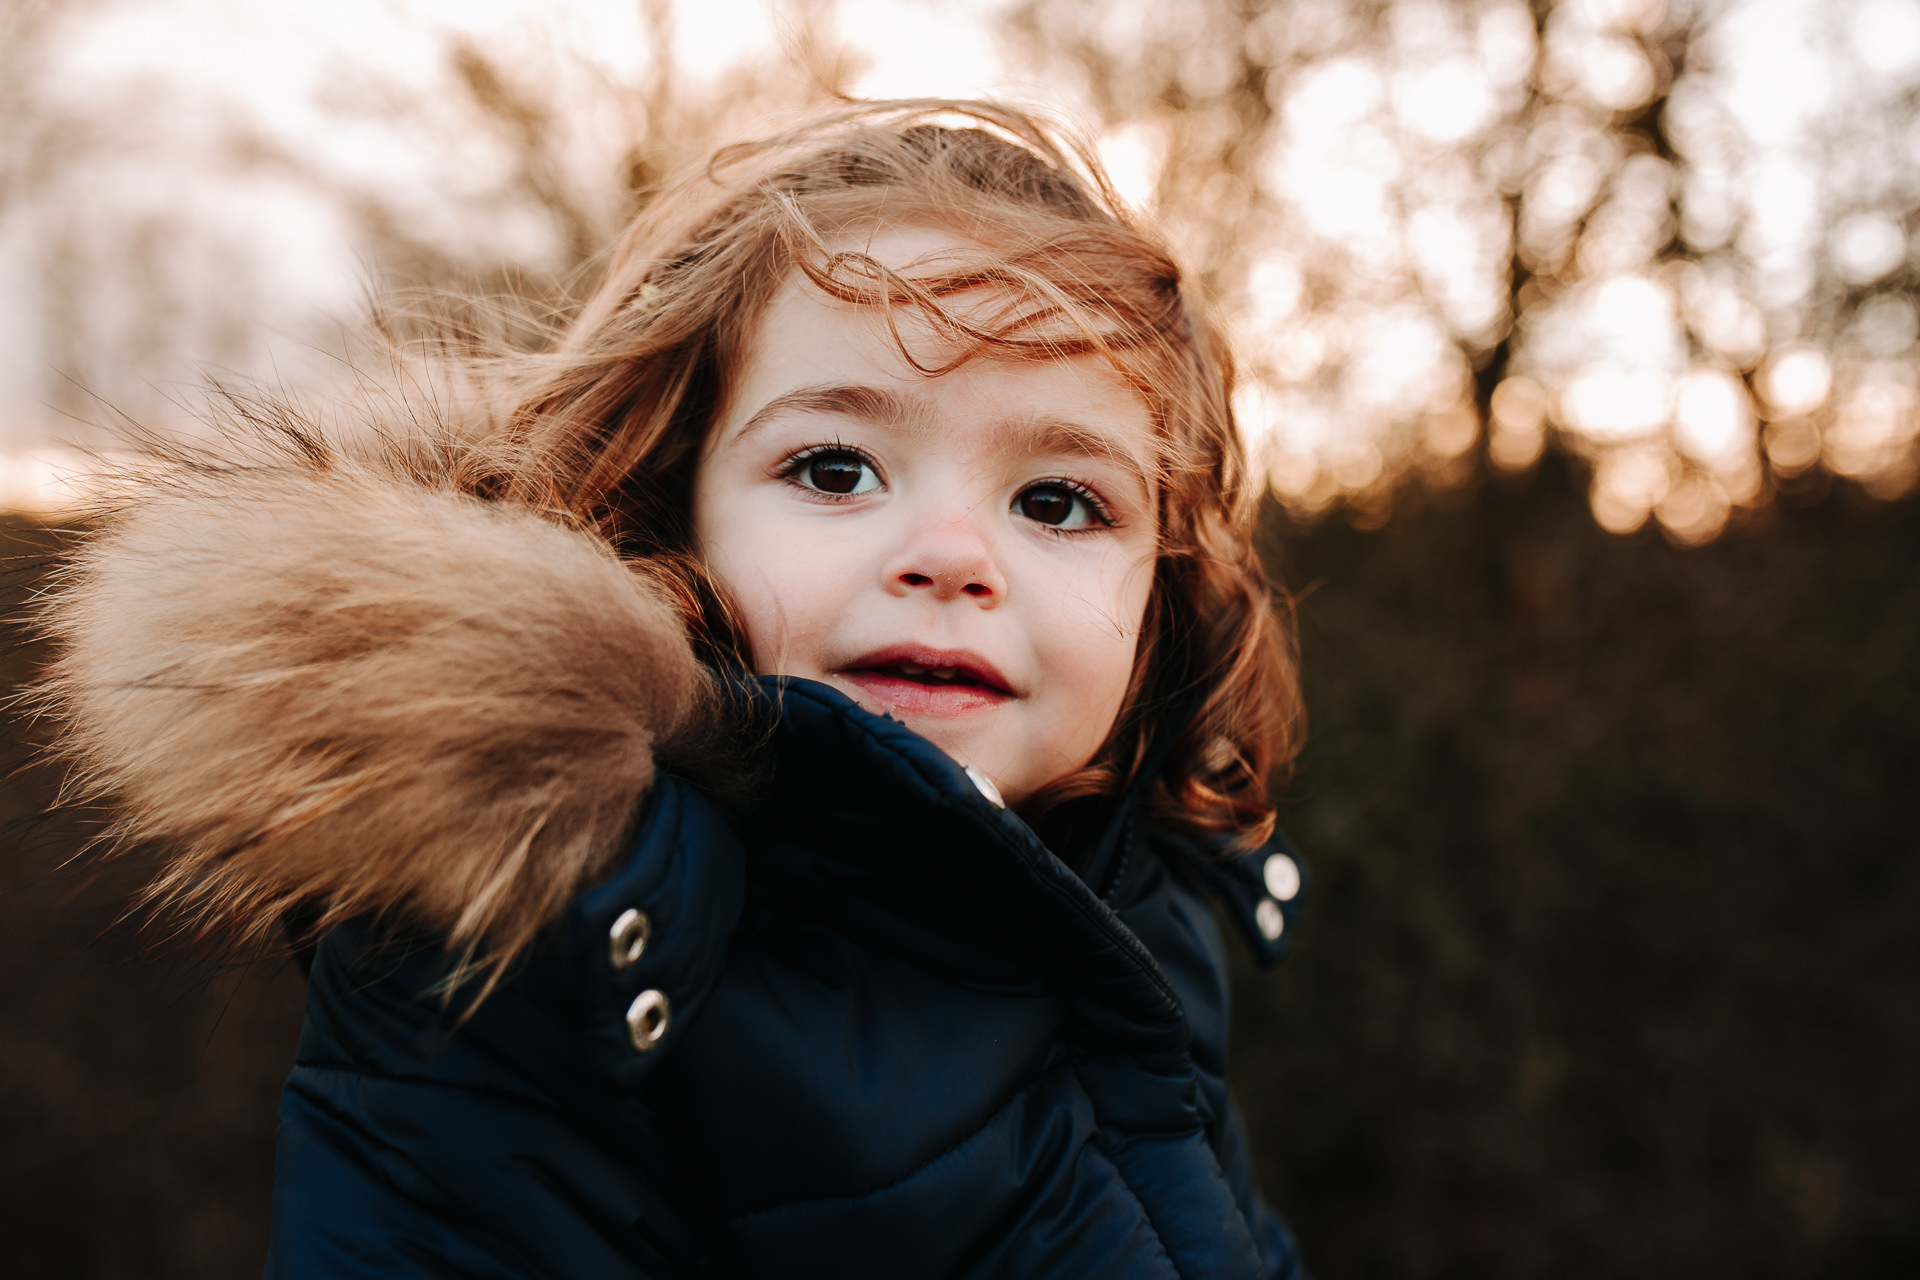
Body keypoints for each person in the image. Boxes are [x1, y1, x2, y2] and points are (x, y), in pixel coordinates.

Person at [40, 100, 1311, 1277]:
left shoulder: (1137, 908)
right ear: (670, 512)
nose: (951, 557)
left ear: (1162, 596)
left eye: (1056, 501)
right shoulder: (567, 934)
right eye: (834, 469)